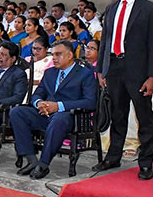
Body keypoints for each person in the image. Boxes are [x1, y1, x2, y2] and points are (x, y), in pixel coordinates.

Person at [93, 0, 153, 181]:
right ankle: (113, 156)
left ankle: (146, 162)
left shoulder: (150, 9)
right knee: (117, 114)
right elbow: (104, 41)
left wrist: (152, 76)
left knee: (144, 117)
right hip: (114, 68)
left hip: (138, 71)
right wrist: (101, 69)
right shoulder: (112, 8)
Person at [10, 40, 98, 179]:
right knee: (17, 112)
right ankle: (32, 160)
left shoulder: (85, 74)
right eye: (53, 54)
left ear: (69, 56)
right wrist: (39, 103)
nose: (54, 58)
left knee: (59, 118)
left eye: (58, 54)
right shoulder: (50, 72)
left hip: (71, 118)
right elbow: (37, 94)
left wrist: (59, 106)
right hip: (46, 115)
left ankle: (43, 164)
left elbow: (90, 102)